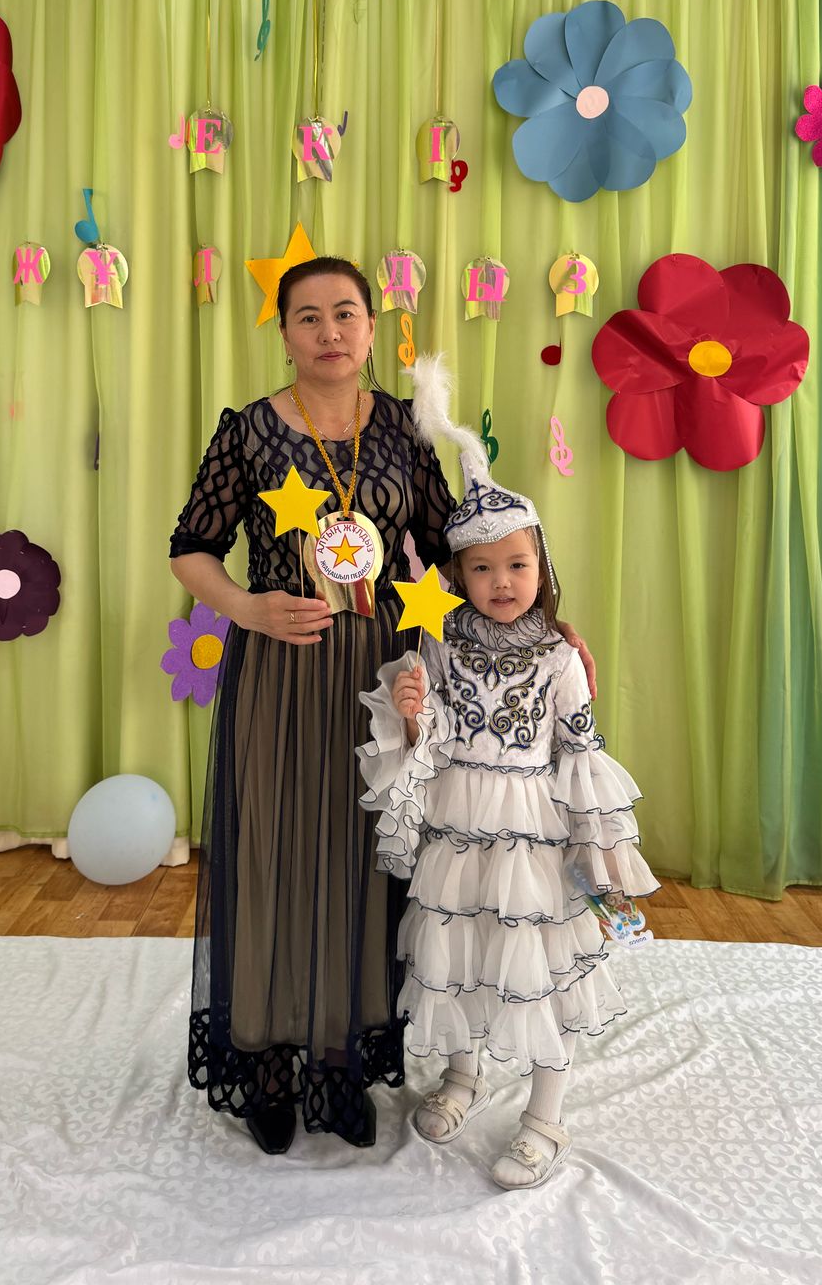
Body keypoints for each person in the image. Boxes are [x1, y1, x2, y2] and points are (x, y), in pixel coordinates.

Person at [169, 259, 597, 1155]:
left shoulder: (402, 427)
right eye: (308, 316)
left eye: (346, 313)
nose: (329, 331)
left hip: (387, 675)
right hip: (280, 672)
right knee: (278, 851)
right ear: (283, 331)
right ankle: (269, 1061)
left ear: (371, 327)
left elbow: (458, 552)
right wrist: (245, 607)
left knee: (367, 857)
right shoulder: (248, 432)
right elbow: (191, 548)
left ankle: (339, 1060)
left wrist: (545, 626)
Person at [355, 354, 658, 1190]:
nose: (501, 582)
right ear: (458, 576)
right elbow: (432, 737)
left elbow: (581, 755)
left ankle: (545, 1116)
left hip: (533, 834)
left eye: (517, 565)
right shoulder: (441, 644)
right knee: (459, 950)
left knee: (536, 967)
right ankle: (463, 1076)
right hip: (459, 826)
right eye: (482, 568)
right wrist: (413, 711)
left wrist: (600, 851)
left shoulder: (560, 656)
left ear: (541, 568)